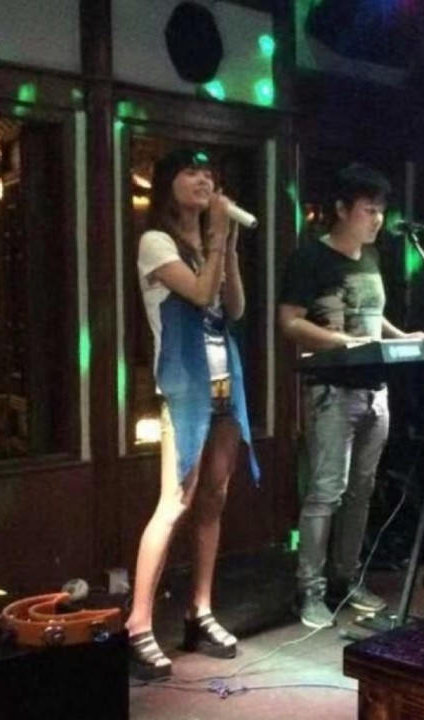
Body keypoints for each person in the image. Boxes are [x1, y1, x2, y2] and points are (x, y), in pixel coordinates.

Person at [278, 163, 424, 629]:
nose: (377, 219)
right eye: (369, 209)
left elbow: (371, 316)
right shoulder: (310, 258)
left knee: (362, 492)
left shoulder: (371, 257)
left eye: (381, 210)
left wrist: (402, 336)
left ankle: (347, 579)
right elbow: (289, 321)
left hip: (374, 389)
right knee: (326, 490)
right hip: (331, 391)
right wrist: (343, 342)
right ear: (342, 209)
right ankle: (309, 591)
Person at [126, 148, 259, 678]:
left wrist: (229, 248)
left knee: (214, 499)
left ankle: (199, 611)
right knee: (174, 502)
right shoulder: (155, 243)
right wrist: (219, 235)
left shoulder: (211, 243)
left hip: (227, 386)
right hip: (185, 389)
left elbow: (235, 308)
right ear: (167, 183)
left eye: (210, 173)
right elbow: (203, 295)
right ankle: (137, 624)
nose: (205, 180)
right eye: (191, 171)